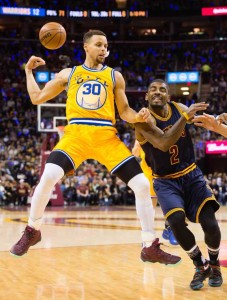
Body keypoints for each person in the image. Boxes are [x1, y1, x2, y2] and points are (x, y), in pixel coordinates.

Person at [10, 30, 185, 265]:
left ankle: (149, 246)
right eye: (99, 45)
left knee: (142, 185)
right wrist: (28, 71)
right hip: (76, 134)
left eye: (106, 45)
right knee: (49, 175)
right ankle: (33, 230)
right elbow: (37, 97)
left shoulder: (115, 76)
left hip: (105, 136)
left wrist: (139, 116)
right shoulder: (68, 74)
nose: (104, 49)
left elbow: (124, 112)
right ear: (86, 47)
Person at [134, 79, 222, 290]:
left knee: (210, 223)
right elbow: (164, 143)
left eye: (162, 90)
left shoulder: (178, 108)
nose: (157, 92)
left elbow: (200, 120)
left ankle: (214, 264)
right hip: (165, 181)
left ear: (168, 96)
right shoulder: (141, 121)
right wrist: (185, 116)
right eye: (152, 89)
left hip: (191, 175)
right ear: (146, 96)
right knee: (174, 220)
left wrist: (217, 119)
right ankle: (199, 265)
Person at [132, 140, 178, 245]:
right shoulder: (141, 134)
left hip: (165, 174)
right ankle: (148, 237)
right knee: (148, 207)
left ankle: (170, 229)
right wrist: (137, 145)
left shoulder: (163, 130)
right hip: (148, 175)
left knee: (171, 204)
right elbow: (135, 153)